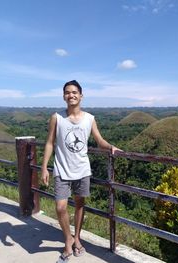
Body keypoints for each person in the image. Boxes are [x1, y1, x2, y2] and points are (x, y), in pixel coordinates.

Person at [41, 80, 121, 263]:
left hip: (82, 169)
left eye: (75, 92)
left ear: (81, 95)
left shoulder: (89, 118)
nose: (71, 95)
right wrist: (44, 167)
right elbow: (49, 143)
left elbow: (99, 140)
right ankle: (67, 239)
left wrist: (111, 147)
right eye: (67, 92)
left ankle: (76, 238)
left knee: (79, 205)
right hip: (62, 169)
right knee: (60, 207)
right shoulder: (56, 117)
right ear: (63, 96)